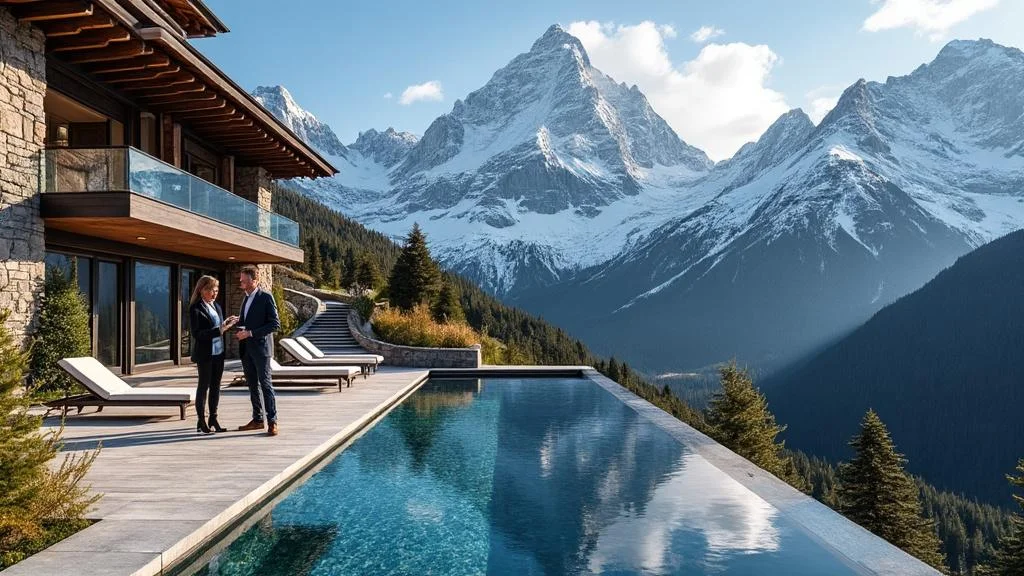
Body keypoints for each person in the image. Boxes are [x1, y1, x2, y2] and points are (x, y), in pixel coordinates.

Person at [235, 265, 281, 436]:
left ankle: (273, 421)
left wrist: (250, 333)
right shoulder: (246, 298)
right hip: (246, 349)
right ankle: (257, 419)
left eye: (244, 281)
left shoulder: (266, 297)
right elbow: (251, 321)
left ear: (254, 281)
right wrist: (238, 323)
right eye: (241, 280)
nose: (241, 283)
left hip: (261, 350)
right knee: (252, 385)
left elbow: (275, 324)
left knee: (265, 384)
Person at [188, 275, 238, 434]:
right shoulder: (195, 308)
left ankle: (213, 418)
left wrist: (226, 324)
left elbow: (219, 328)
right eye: (210, 289)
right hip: (205, 355)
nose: (214, 293)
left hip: (218, 353)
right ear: (201, 290)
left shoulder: (217, 306)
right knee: (203, 387)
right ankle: (201, 420)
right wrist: (220, 330)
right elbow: (198, 334)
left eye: (216, 290)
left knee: (216, 387)